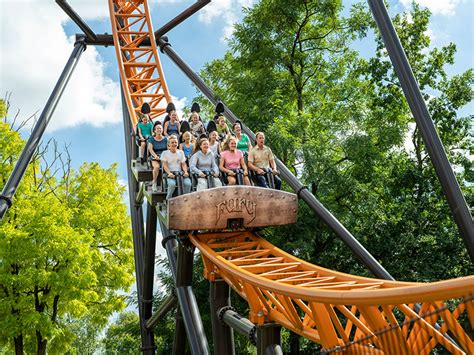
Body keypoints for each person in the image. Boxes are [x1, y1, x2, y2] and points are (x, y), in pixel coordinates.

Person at [161, 135, 192, 200]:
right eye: (172, 142)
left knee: (188, 183)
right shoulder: (165, 153)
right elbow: (165, 165)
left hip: (180, 173)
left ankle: (185, 199)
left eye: (175, 142)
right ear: (169, 144)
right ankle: (168, 199)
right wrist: (169, 173)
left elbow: (183, 164)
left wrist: (186, 172)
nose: (174, 144)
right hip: (170, 173)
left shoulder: (181, 152)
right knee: (172, 184)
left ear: (177, 144)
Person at [147, 124, 168, 192]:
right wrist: (155, 155)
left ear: (162, 130)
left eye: (160, 128)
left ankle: (166, 184)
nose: (159, 130)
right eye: (157, 129)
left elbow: (168, 148)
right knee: (156, 167)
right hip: (155, 156)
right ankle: (154, 182)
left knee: (166, 166)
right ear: (155, 130)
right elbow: (150, 149)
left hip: (164, 156)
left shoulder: (165, 139)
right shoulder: (151, 139)